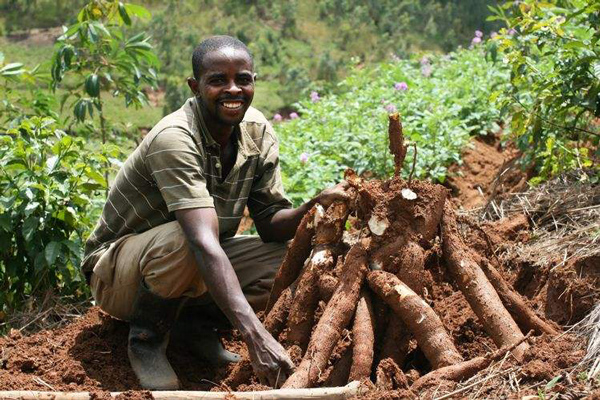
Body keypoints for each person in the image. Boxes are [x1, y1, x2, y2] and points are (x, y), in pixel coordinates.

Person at [81, 35, 348, 390]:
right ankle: (145, 339)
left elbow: (270, 224)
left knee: (291, 260)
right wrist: (256, 337)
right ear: (195, 86)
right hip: (117, 274)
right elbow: (201, 242)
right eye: (218, 80)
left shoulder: (256, 130)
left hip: (192, 261)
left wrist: (314, 206)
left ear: (255, 81)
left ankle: (190, 324)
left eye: (243, 79)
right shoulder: (175, 138)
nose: (233, 89)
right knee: (186, 238)